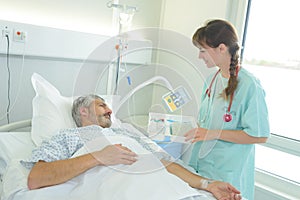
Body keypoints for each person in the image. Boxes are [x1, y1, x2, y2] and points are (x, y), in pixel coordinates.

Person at [21, 94, 242, 200]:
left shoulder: (126, 134)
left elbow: (164, 164)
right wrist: (98, 157)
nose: (109, 110)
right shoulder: (69, 137)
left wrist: (207, 184)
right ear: (83, 112)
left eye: (108, 105)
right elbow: (37, 178)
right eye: (101, 105)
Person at [184, 19, 270, 200]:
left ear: (221, 48)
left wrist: (213, 133)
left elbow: (259, 135)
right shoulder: (211, 80)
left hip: (228, 174)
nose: (200, 56)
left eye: (202, 50)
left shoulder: (249, 85)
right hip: (203, 169)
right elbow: (206, 123)